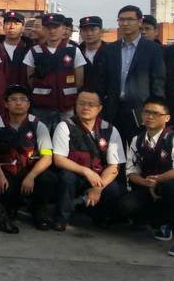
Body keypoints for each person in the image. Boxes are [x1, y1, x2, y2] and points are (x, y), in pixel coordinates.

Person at [51, 90, 125, 231]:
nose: (86, 107)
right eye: (82, 103)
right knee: (66, 178)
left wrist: (98, 187)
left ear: (99, 108)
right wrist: (85, 171)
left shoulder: (109, 129)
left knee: (114, 189)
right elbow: (59, 159)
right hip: (75, 174)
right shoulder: (65, 125)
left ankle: (96, 214)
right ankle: (61, 218)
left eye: (91, 104)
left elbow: (114, 167)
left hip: (98, 177)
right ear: (75, 105)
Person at [0, 84, 57, 230]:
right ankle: (9, 209)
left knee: (48, 180)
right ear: (6, 104)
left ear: (28, 103)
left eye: (22, 99)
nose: (18, 103)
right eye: (13, 99)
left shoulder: (38, 125)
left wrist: (31, 176)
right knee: (3, 189)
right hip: (6, 172)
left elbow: (47, 157)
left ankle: (38, 210)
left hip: (30, 171)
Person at [98, 5, 165, 150]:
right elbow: (102, 82)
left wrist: (155, 111)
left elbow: (158, 83)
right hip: (113, 111)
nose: (125, 23)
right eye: (121, 20)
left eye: (130, 19)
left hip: (140, 112)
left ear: (140, 22)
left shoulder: (153, 50)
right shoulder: (109, 50)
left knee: (140, 153)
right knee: (114, 154)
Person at [118, 96, 173, 243]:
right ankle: (151, 221)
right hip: (147, 187)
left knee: (170, 187)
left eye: (155, 113)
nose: (150, 116)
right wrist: (145, 182)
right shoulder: (137, 139)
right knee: (126, 205)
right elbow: (131, 171)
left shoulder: (172, 138)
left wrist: (157, 180)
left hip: (167, 186)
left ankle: (168, 225)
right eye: (146, 112)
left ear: (167, 118)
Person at [24, 13, 85, 131]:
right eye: (48, 27)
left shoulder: (73, 51)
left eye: (55, 27)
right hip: (41, 109)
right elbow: (30, 80)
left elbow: (79, 81)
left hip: (66, 109)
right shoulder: (34, 51)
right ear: (43, 29)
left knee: (65, 142)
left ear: (63, 29)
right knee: (41, 144)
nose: (52, 31)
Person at [0, 10, 31, 88]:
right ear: (3, 26)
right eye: (8, 23)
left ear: (23, 28)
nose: (12, 27)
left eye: (16, 24)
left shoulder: (30, 49)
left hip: (22, 97)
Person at [78, 16, 106, 92]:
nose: (89, 33)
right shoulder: (76, 52)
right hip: (82, 100)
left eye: (93, 30)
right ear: (80, 32)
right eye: (85, 30)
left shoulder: (111, 52)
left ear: (101, 31)